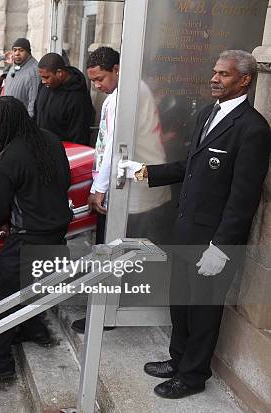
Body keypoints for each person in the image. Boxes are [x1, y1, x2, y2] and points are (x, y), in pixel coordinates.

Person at [118, 50, 271, 399]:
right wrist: (145, 171)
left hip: (213, 240)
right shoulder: (207, 114)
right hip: (186, 231)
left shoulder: (253, 129)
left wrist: (222, 245)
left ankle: (192, 376)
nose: (215, 79)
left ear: (245, 80)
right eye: (215, 72)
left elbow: (243, 197)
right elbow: (191, 165)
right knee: (181, 302)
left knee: (203, 311)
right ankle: (177, 360)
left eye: (224, 74)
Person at [0, 96, 72, 382]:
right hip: (58, 233)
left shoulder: (9, 158)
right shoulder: (50, 140)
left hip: (28, 239)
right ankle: (33, 329)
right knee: (36, 287)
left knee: (1, 300)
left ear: (3, 125)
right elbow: (66, 180)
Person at [71, 46, 171, 334]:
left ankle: (104, 313)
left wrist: (99, 187)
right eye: (92, 81)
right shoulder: (123, 92)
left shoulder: (126, 95)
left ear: (117, 69)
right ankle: (107, 307)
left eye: (100, 79)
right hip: (130, 184)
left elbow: (116, 146)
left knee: (112, 251)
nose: (97, 86)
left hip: (132, 186)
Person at [35, 53, 94, 145]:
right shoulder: (44, 86)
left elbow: (79, 135)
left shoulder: (78, 97)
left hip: (62, 152)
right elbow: (36, 114)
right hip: (40, 147)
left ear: (60, 73)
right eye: (41, 77)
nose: (43, 81)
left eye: (46, 77)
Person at [2, 38, 40, 117]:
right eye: (14, 50)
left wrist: (28, 123)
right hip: (8, 117)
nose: (17, 53)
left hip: (21, 122)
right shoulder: (15, 65)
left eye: (21, 50)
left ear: (28, 52)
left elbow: (33, 102)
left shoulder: (34, 71)